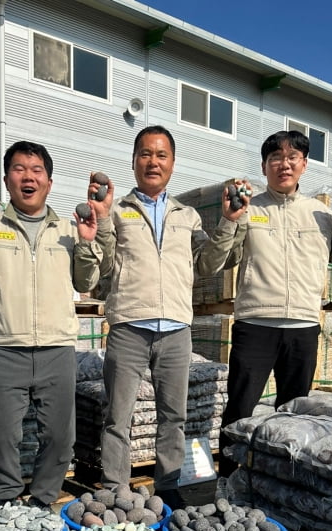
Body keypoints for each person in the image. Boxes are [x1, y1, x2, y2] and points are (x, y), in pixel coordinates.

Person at [90, 125, 229, 508]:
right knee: (118, 417)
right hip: (129, 329)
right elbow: (100, 264)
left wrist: (230, 222)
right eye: (146, 154)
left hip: (176, 331)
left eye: (161, 154)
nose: (153, 161)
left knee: (174, 418)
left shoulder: (188, 216)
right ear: (134, 161)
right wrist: (101, 219)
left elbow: (208, 265)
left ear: (172, 163)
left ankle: (168, 491)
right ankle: (115, 492)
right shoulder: (117, 212)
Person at [0, 140, 102, 507]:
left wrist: (87, 243)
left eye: (37, 170)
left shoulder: (68, 231)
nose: (28, 177)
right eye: (19, 169)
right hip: (8, 347)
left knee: (59, 436)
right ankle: (9, 500)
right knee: (2, 435)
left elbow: (86, 283)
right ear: (7, 180)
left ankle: (41, 500)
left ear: (49, 182)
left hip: (57, 347)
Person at [215, 129, 332, 478]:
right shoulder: (252, 209)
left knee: (295, 414)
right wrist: (232, 218)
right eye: (276, 158)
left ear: (304, 165)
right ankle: (227, 481)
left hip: (303, 326)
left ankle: (283, 486)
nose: (284, 164)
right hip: (255, 324)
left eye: (292, 157)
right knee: (239, 407)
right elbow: (228, 258)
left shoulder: (320, 213)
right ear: (264, 166)